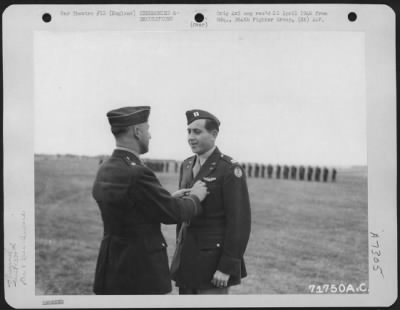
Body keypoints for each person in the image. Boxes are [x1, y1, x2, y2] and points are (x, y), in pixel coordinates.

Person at [92, 106, 208, 295]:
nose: (150, 135)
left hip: (111, 266)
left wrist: (167, 199)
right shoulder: (137, 172)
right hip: (140, 270)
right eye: (147, 129)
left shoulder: (106, 167)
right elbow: (173, 214)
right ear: (137, 132)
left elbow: (128, 207)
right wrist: (196, 197)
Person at [171, 109, 251, 294]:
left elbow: (239, 223)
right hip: (186, 259)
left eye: (197, 132)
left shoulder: (229, 169)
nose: (191, 137)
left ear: (214, 135)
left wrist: (227, 266)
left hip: (212, 263)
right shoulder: (187, 164)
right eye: (189, 131)